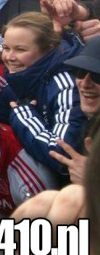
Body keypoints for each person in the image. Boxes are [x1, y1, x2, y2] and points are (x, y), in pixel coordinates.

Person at [0, 11, 87, 176]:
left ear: (49, 49)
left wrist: (25, 116)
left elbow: (62, 154)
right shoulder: (16, 80)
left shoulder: (65, 85)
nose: (9, 57)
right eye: (5, 48)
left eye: (20, 49)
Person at [49, 36, 100, 184]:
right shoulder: (91, 121)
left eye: (97, 76)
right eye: (81, 72)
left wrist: (93, 179)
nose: (85, 83)